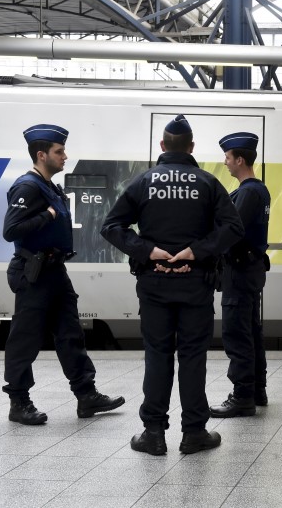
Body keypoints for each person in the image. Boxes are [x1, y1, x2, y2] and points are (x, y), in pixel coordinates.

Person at [100, 115, 244, 456]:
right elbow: (233, 228)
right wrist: (197, 250)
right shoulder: (208, 183)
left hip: (154, 285)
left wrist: (147, 250)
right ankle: (194, 433)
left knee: (158, 356)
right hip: (196, 284)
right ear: (191, 148)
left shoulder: (143, 183)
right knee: (193, 357)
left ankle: (153, 433)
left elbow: (111, 226)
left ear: (162, 146)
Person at [3, 124, 125, 425]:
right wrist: (47, 215)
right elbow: (11, 230)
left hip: (55, 271)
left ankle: (86, 396)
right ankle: (19, 402)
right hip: (34, 272)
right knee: (25, 339)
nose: (65, 156)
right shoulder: (28, 187)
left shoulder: (50, 187)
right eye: (59, 152)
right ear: (41, 154)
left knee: (71, 334)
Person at [210, 132, 271, 419]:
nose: (225, 163)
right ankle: (256, 390)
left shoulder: (248, 192)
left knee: (237, 333)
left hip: (240, 270)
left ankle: (242, 396)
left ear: (240, 160)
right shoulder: (256, 191)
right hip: (250, 269)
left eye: (228, 158)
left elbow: (231, 231)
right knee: (251, 332)